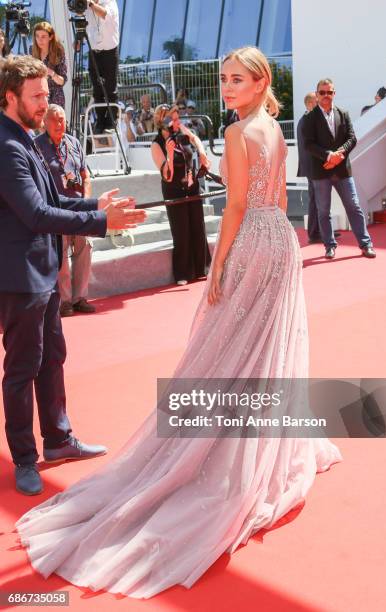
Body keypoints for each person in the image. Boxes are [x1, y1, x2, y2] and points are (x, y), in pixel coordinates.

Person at [15, 46, 341, 599]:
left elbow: (235, 205)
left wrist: (217, 267)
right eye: (224, 79)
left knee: (226, 351)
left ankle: (216, 451)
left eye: (238, 79)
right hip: (281, 241)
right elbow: (272, 192)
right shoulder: (272, 128)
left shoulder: (240, 135)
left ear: (261, 81)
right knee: (263, 350)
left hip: (251, 243)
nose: (228, 87)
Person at [0, 55, 145, 496]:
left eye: (47, 94)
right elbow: (37, 213)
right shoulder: (6, 146)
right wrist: (102, 223)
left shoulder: (25, 137)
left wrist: (95, 205)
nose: (46, 102)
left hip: (42, 274)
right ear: (10, 97)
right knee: (22, 369)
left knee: (53, 358)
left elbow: (55, 197)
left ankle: (59, 439)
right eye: (37, 95)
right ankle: (25, 457)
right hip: (19, 278)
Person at [302, 78, 376, 259]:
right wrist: (328, 156)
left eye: (329, 92)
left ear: (334, 94)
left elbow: (352, 138)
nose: (326, 96)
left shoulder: (343, 113)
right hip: (320, 172)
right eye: (322, 92)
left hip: (342, 170)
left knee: (354, 206)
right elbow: (309, 144)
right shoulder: (309, 118)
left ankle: (366, 244)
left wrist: (339, 155)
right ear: (317, 94)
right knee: (323, 211)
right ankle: (329, 246)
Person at [36, 105, 96, 317]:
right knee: (61, 256)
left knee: (85, 248)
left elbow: (85, 176)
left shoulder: (74, 143)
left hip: (79, 209)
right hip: (57, 211)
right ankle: (65, 301)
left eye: (63, 120)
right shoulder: (37, 147)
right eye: (56, 120)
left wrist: (87, 203)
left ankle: (80, 297)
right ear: (45, 122)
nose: (61, 124)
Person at [151, 104, 211, 285]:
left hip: (191, 186)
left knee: (198, 227)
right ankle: (183, 273)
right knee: (181, 232)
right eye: (174, 119)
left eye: (178, 118)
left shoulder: (182, 133)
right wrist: (169, 154)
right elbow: (167, 176)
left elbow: (196, 139)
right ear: (163, 122)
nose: (178, 122)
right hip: (173, 189)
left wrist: (201, 153)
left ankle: (202, 268)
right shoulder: (157, 144)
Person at [297, 92, 341, 244]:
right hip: (313, 168)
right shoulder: (305, 122)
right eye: (317, 101)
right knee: (316, 200)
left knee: (319, 200)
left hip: (316, 167)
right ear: (310, 104)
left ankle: (321, 231)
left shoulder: (309, 120)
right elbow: (308, 148)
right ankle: (315, 233)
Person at [85, 0, 120, 133]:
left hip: (110, 52)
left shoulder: (110, 2)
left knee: (110, 88)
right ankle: (100, 121)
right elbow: (82, 20)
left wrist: (90, 4)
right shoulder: (88, 5)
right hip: (94, 51)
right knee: (97, 89)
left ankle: (112, 119)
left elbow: (104, 13)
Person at [31, 22, 67, 108]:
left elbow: (62, 81)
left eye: (43, 36)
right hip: (37, 95)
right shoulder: (31, 51)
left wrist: (51, 73)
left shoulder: (58, 53)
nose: (40, 40)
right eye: (37, 36)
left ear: (50, 37)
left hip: (55, 96)